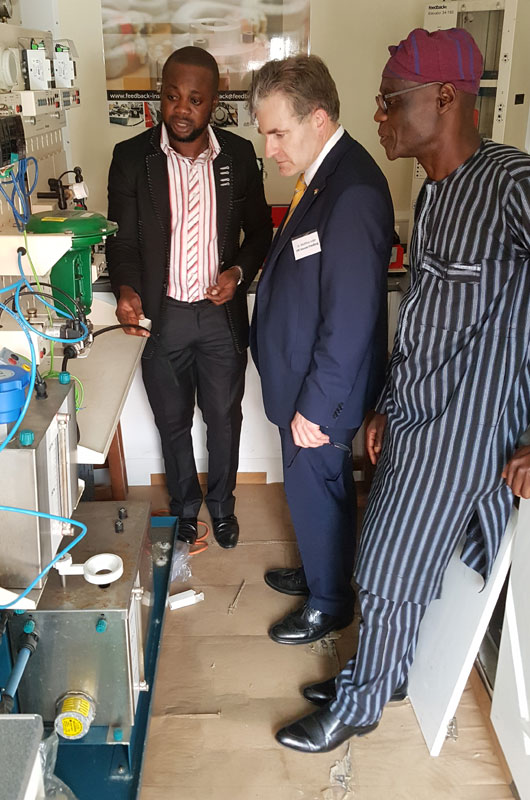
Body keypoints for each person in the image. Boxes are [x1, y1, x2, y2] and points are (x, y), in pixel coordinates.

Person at [274, 27, 530, 754]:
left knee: (387, 565)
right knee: (384, 557)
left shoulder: (511, 183)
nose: (378, 115)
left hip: (467, 426)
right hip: (414, 416)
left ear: (444, 98)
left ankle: (359, 707)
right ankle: (381, 675)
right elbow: (420, 318)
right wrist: (386, 403)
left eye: (390, 101)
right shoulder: (436, 194)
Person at [249, 55, 394, 645]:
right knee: (312, 488)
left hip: (322, 392)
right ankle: (320, 571)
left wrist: (317, 404)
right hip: (304, 379)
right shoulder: (323, 176)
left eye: (278, 133)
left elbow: (351, 316)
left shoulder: (352, 190)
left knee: (320, 486)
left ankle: (330, 603)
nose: (269, 150)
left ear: (318, 117)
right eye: (265, 135)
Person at [106, 47, 272, 548]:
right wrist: (127, 290)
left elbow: (260, 233)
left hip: (221, 319)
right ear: (161, 95)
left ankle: (222, 506)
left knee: (224, 419)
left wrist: (238, 272)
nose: (181, 109)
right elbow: (122, 242)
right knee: (172, 421)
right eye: (172, 96)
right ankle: (184, 507)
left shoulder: (238, 155)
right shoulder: (132, 158)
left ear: (214, 103)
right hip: (163, 317)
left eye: (195, 100)